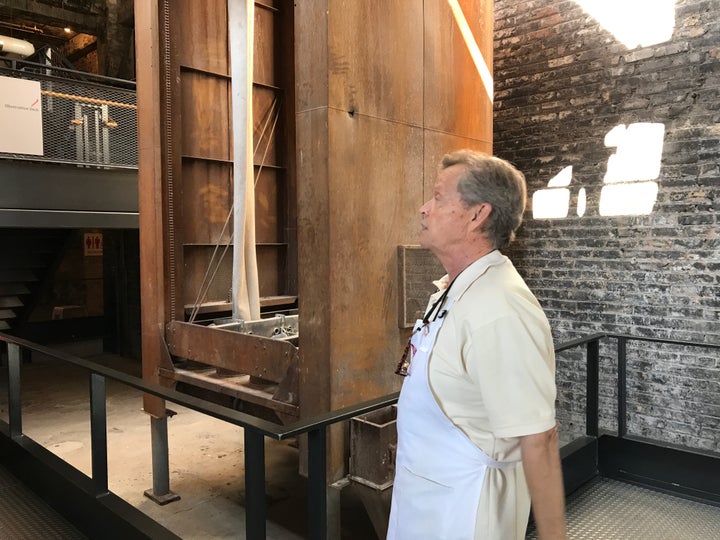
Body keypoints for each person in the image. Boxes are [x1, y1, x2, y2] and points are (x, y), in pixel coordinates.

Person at [387, 150, 566, 540]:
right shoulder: (454, 289)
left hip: (465, 511)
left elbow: (538, 437)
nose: (423, 209)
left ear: (476, 214)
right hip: (426, 495)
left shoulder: (501, 307)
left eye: (437, 197)